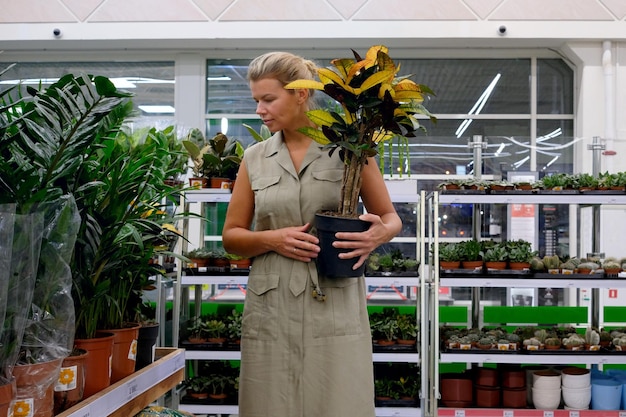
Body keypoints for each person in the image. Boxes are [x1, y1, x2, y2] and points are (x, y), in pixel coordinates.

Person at [222, 51, 403, 417]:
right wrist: (273, 239)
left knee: (338, 402)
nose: (260, 109)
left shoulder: (351, 150)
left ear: (301, 94)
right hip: (271, 305)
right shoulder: (254, 158)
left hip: (333, 299)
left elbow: (390, 217)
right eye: (256, 100)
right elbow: (231, 237)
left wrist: (376, 235)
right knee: (269, 404)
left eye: (268, 99)